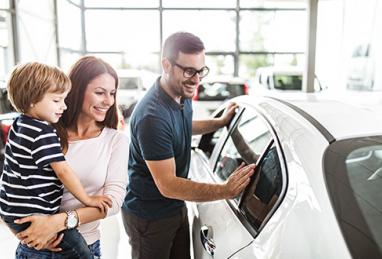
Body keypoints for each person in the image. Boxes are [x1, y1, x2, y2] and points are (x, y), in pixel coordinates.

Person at [121, 32, 255, 259]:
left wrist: (219, 123)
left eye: (201, 70)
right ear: (166, 65)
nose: (196, 80)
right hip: (150, 216)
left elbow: (182, 126)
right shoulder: (152, 116)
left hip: (174, 207)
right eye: (189, 71)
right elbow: (168, 185)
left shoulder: (180, 93)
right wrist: (226, 190)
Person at [11, 56, 129, 258]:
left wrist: (58, 222)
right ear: (75, 91)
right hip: (35, 247)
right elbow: (12, 184)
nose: (108, 101)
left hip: (81, 245)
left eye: (112, 93)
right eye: (99, 92)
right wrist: (26, 234)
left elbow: (113, 202)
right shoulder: (43, 132)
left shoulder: (115, 140)